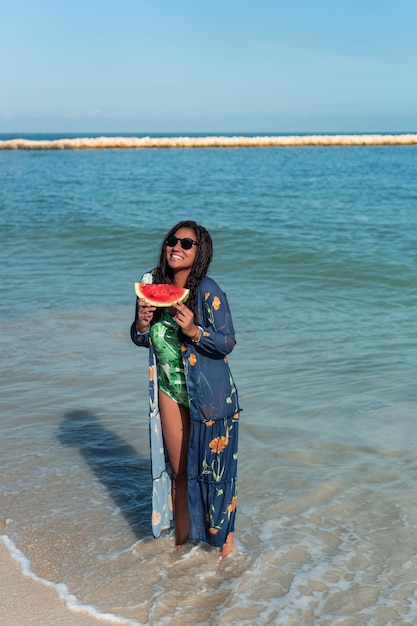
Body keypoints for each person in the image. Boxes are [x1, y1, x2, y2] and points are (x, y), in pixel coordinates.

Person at [130, 220, 241, 558]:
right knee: (180, 472)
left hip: (210, 396)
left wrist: (195, 331)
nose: (176, 246)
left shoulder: (207, 290)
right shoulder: (151, 283)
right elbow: (139, 338)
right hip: (168, 389)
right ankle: (182, 545)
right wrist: (142, 322)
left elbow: (227, 342)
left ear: (199, 252)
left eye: (186, 243)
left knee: (215, 476)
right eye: (172, 240)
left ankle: (226, 550)